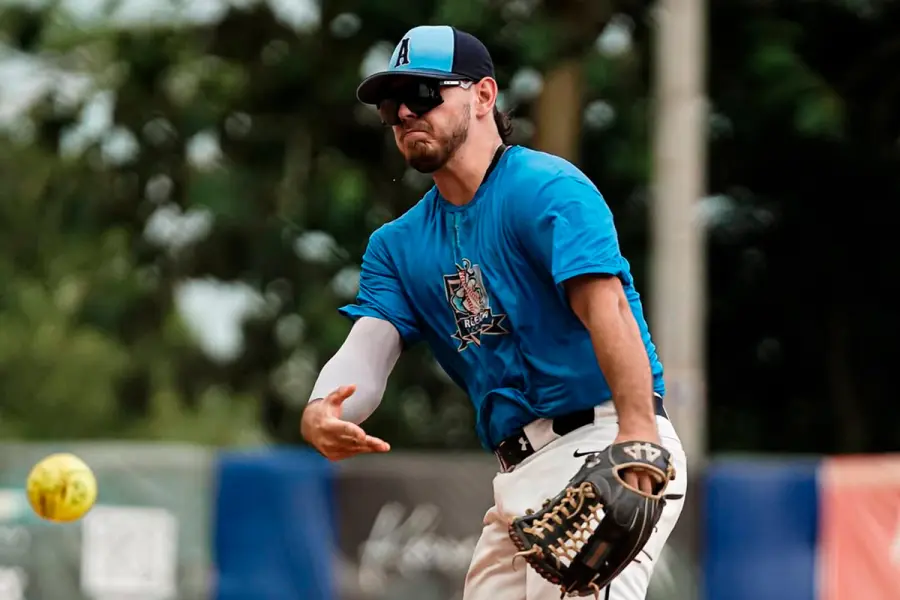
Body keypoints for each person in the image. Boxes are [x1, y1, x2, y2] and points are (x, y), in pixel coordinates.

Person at [300, 24, 688, 600]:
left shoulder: (546, 188)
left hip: (607, 440)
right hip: (517, 475)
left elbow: (607, 309)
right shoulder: (398, 244)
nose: (404, 111)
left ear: (484, 96)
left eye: (425, 93)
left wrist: (636, 440)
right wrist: (321, 407)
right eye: (390, 102)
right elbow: (369, 348)